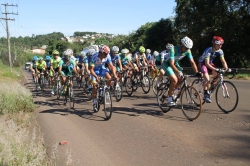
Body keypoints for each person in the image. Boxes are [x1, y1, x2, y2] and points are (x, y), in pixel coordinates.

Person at [157, 37, 199, 106]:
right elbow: (171, 64)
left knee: (182, 78)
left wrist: (197, 72)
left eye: (188, 48)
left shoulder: (188, 51)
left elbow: (192, 62)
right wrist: (178, 72)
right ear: (181, 45)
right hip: (167, 64)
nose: (187, 50)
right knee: (174, 80)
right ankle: (169, 99)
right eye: (186, 48)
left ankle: (174, 92)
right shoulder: (173, 49)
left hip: (175, 64)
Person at [198, 36, 229, 103]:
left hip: (210, 63)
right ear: (214, 44)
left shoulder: (220, 51)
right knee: (207, 78)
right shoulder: (208, 50)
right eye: (219, 45)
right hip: (202, 63)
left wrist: (226, 68)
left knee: (218, 75)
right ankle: (206, 94)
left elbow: (223, 61)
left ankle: (210, 87)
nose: (220, 46)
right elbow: (206, 63)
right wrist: (215, 69)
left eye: (221, 45)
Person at [89, 45, 118, 111]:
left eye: (107, 53)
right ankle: (95, 101)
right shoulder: (94, 57)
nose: (106, 54)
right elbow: (91, 69)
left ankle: (105, 90)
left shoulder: (107, 56)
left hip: (102, 69)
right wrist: (96, 77)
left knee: (109, 78)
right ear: (101, 52)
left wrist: (115, 75)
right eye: (105, 53)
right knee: (95, 86)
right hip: (95, 71)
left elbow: (111, 66)